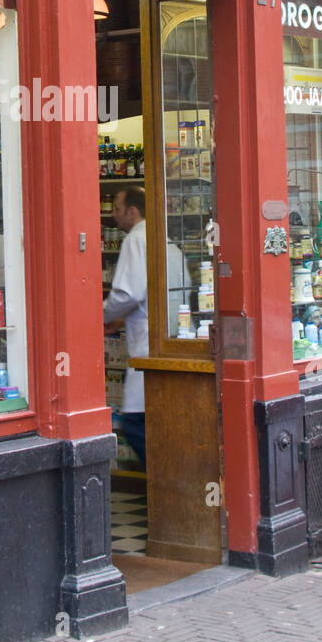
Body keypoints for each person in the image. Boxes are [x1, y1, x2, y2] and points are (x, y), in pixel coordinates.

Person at [103, 185, 190, 468]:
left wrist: (101, 314)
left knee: (135, 424)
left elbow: (128, 293)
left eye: (117, 208)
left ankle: (165, 477)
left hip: (147, 347)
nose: (113, 215)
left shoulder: (135, 240)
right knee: (160, 422)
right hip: (173, 342)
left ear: (133, 211)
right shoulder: (170, 245)